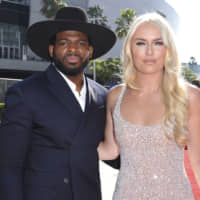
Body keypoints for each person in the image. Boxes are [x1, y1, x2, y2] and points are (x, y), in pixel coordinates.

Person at [0, 6, 117, 200]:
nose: (72, 48)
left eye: (80, 43)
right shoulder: (25, 93)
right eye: (64, 42)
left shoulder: (102, 96)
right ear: (52, 49)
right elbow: (8, 167)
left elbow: (114, 153)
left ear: (90, 51)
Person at [98, 12, 200, 199]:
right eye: (141, 43)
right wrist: (56, 141)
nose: (150, 51)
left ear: (168, 49)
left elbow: (197, 162)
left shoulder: (190, 96)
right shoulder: (115, 96)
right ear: (130, 49)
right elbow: (110, 150)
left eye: (158, 43)